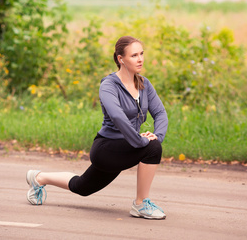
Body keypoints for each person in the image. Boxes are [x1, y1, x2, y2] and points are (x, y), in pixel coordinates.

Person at [26, 35, 168, 220]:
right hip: (106, 148)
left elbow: (161, 113)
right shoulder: (108, 85)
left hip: (127, 146)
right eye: (134, 55)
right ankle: (140, 204)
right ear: (120, 59)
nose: (140, 59)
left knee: (82, 187)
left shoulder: (144, 84)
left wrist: (157, 135)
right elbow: (117, 116)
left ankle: (39, 178)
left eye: (141, 54)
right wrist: (141, 140)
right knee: (152, 149)